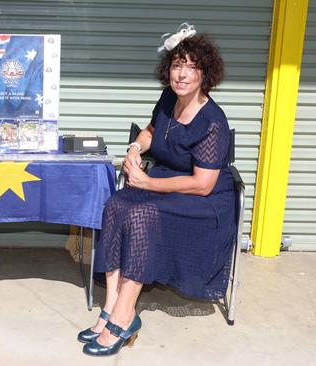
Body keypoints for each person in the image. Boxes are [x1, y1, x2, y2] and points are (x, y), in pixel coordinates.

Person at [79, 24, 236, 356]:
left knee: (139, 213)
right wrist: (135, 148)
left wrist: (148, 183)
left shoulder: (212, 123)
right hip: (166, 181)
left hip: (202, 201)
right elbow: (152, 131)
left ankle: (126, 316)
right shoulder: (169, 97)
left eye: (191, 67)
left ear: (205, 74)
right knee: (117, 204)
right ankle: (110, 309)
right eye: (177, 64)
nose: (181, 74)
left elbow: (202, 184)